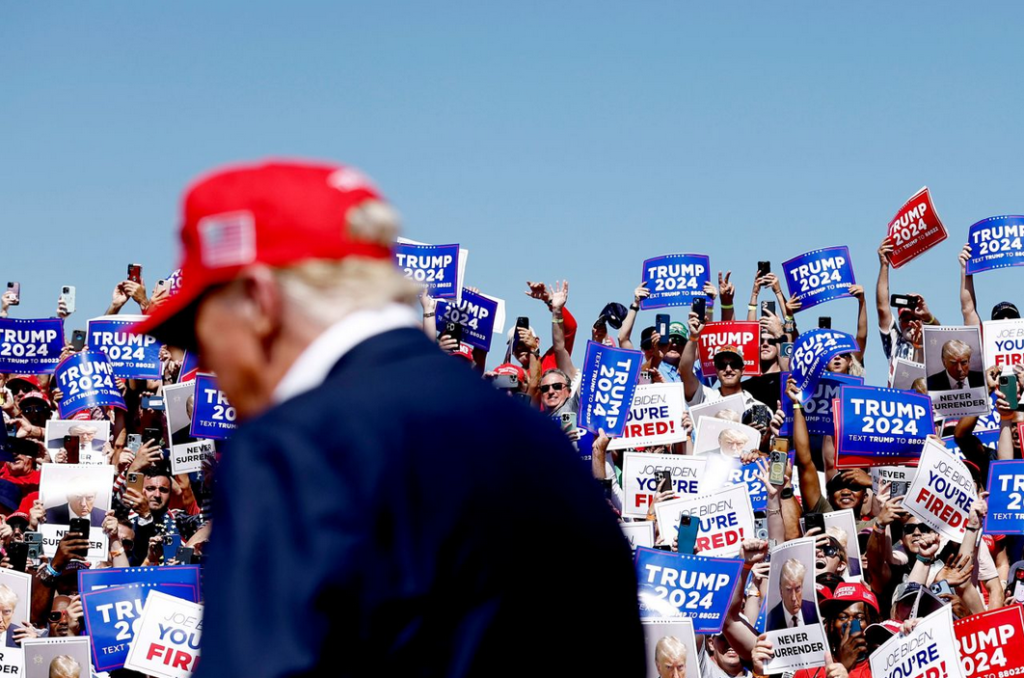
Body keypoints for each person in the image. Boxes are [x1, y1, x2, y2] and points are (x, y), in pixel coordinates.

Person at [132, 160, 644, 677]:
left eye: (197, 333)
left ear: (260, 303)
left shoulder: (293, 450)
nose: (207, 364)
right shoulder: (541, 444)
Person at [766, 559, 819, 629]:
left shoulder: (815, 611)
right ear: (781, 591)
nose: (793, 598)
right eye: (788, 590)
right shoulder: (770, 620)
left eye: (797, 589)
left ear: (802, 587)